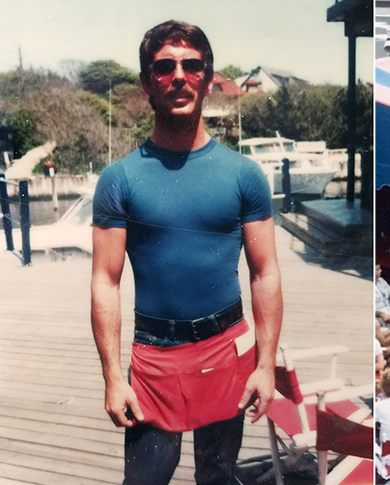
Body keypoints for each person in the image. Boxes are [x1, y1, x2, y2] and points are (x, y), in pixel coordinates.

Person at [90, 21, 283, 485]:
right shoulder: (119, 180)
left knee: (218, 474)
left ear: (207, 77)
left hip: (227, 347)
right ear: (147, 83)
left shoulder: (244, 175)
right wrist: (114, 378)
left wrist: (265, 364)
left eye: (192, 64)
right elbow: (105, 281)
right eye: (164, 66)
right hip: (155, 355)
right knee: (145, 479)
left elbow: (265, 273)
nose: (179, 75)